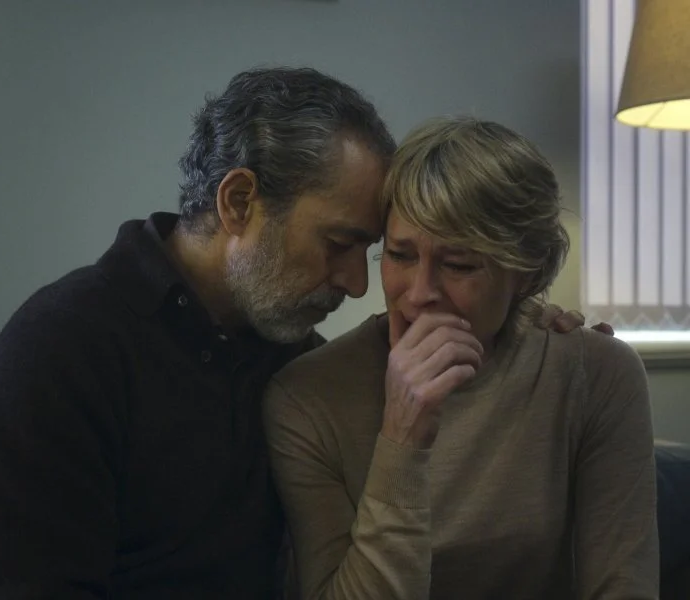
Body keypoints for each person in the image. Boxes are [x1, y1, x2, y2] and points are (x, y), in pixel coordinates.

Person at [0, 68, 593, 599]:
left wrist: (516, 320)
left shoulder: (290, 356)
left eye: (369, 251)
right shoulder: (59, 354)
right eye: (338, 243)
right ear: (239, 202)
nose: (356, 284)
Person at [262, 116, 658, 599]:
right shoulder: (306, 399)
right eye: (400, 255)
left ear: (525, 274)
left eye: (459, 265)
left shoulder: (595, 374)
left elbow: (623, 585)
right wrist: (402, 440)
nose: (419, 293)